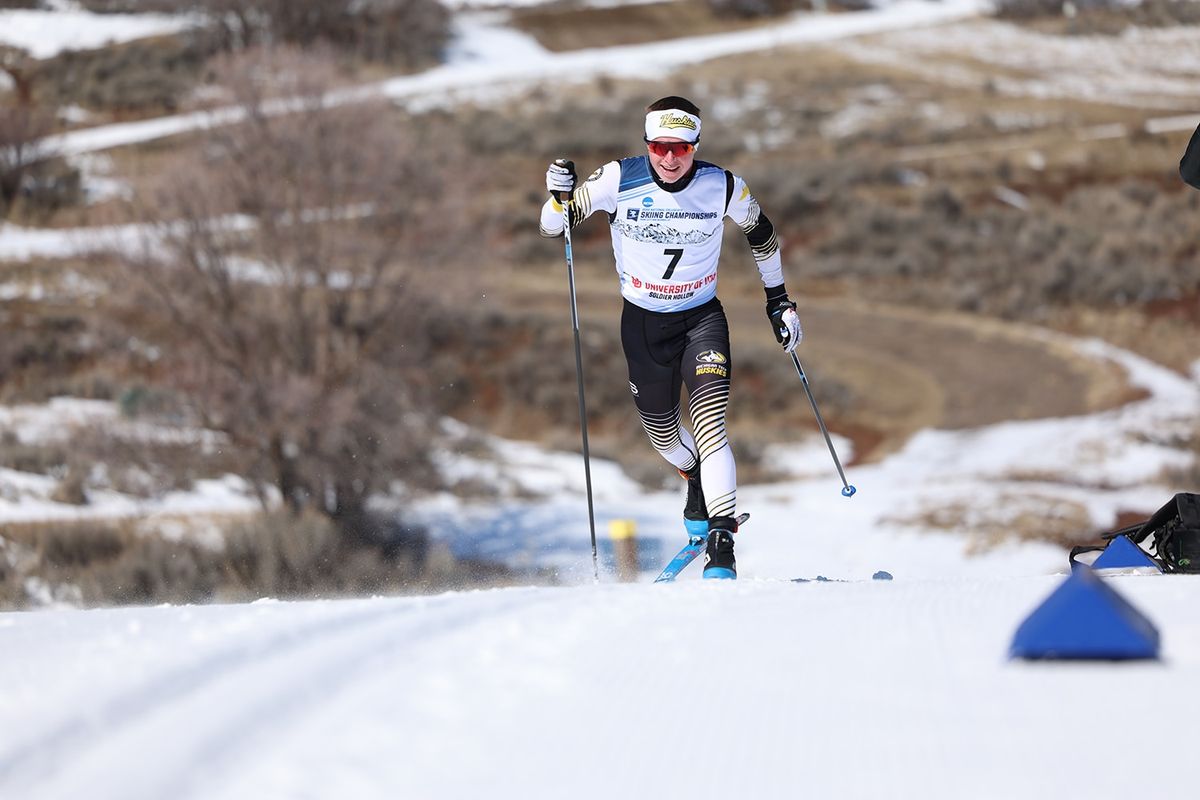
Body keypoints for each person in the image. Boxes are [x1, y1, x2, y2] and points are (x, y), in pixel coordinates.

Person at [538, 96, 802, 580]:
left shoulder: (722, 186)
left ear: (695, 146)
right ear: (647, 144)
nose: (670, 158)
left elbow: (761, 234)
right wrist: (557, 197)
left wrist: (778, 300)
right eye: (660, 146)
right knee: (664, 437)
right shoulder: (619, 178)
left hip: (701, 319)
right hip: (642, 326)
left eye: (681, 147)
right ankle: (695, 477)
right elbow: (554, 227)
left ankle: (722, 538)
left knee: (710, 425)